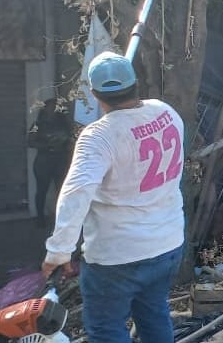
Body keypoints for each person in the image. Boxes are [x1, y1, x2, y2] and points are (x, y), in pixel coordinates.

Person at [41, 51, 185, 343]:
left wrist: (59, 251)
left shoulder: (99, 136)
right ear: (135, 85)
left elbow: (76, 192)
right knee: (154, 314)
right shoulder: (166, 112)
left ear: (94, 95)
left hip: (117, 257)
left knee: (107, 330)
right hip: (167, 245)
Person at [28, 98, 73, 228]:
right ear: (44, 108)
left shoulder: (64, 123)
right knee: (42, 190)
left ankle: (61, 218)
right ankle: (40, 217)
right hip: (44, 161)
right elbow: (30, 142)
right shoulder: (37, 124)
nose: (53, 108)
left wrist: (68, 145)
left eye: (55, 106)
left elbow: (71, 138)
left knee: (62, 191)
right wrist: (47, 145)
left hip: (61, 161)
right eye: (50, 106)